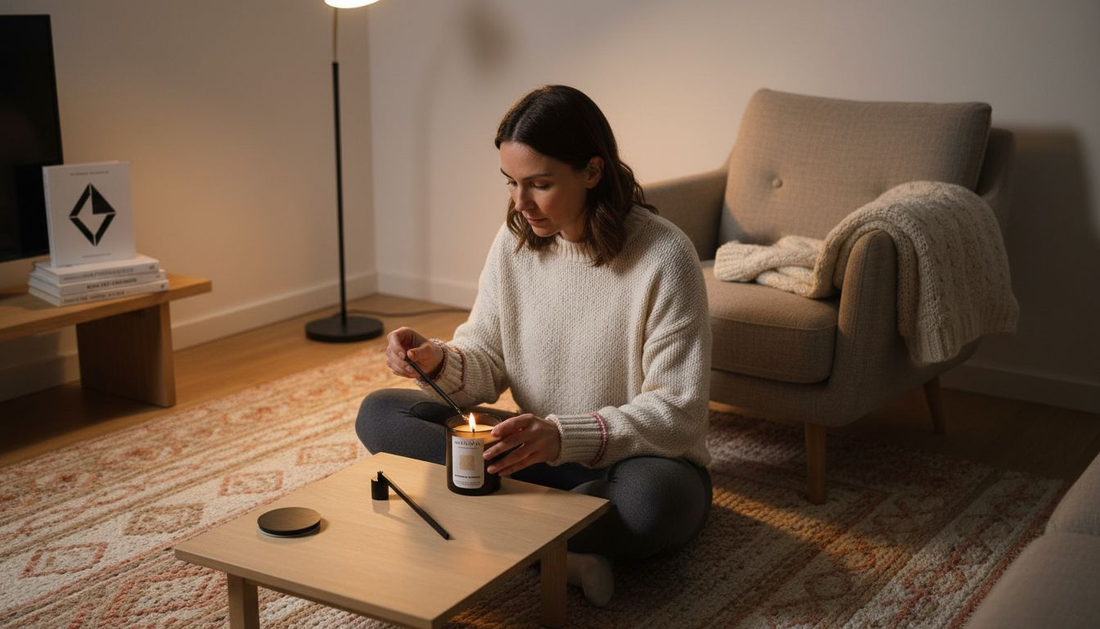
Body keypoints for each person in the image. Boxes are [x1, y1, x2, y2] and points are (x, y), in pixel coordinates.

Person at [356, 84, 712, 607]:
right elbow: (486, 358)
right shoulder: (515, 243)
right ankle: (559, 547)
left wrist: (563, 436)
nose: (520, 204)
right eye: (511, 183)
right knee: (382, 414)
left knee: (653, 505)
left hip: (634, 462)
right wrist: (438, 361)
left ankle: (495, 526)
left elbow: (678, 413)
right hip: (531, 455)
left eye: (539, 184)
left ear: (592, 171)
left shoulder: (665, 256)